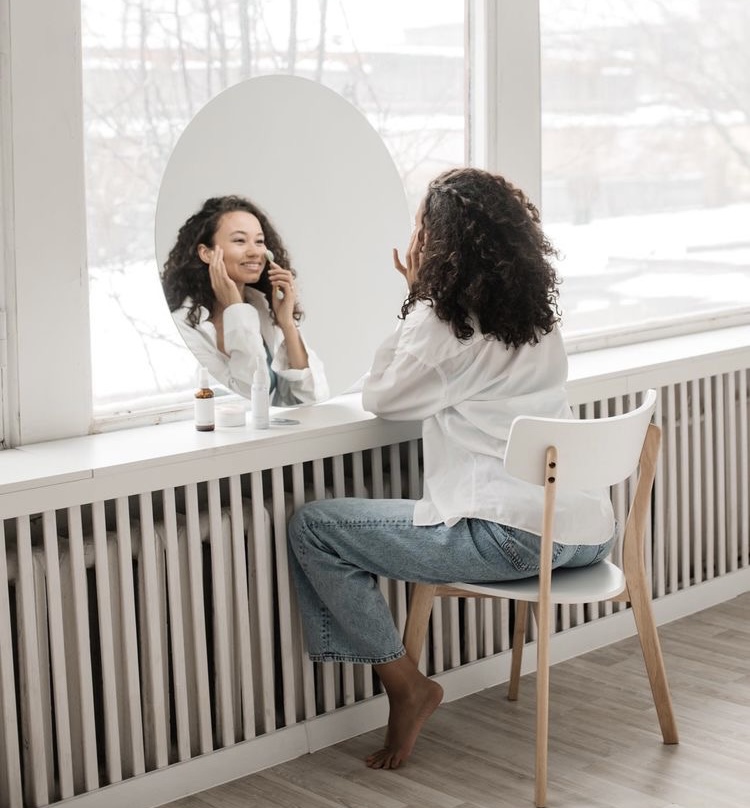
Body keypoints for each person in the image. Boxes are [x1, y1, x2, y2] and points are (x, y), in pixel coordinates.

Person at [286, 167, 617, 770]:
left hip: (514, 540)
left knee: (314, 527)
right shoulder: (539, 322)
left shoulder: (446, 324)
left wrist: (416, 296)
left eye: (420, 226)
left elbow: (384, 398)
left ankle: (407, 684)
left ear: (435, 243)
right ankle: (407, 685)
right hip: (585, 535)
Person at [162, 195, 329, 404]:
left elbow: (312, 398)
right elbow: (247, 400)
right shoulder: (184, 326)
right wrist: (236, 310)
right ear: (206, 253)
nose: (255, 252)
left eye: (259, 241)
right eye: (240, 241)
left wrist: (286, 324)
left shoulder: (265, 308)